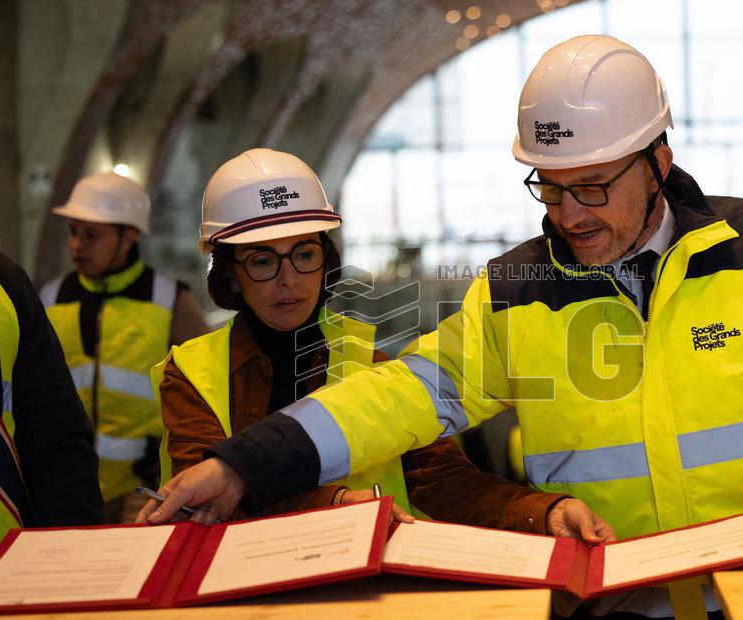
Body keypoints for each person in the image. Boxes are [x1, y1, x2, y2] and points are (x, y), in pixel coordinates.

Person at [141, 36, 743, 620]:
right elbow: (399, 396)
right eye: (550, 187)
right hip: (617, 615)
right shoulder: (516, 289)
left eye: (594, 187)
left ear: (658, 162)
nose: (569, 214)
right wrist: (244, 463)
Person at [150, 147, 602, 535]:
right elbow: (206, 498)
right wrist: (334, 506)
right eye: (263, 261)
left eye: (304, 255)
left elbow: (441, 479)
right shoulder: (191, 373)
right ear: (230, 272)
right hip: (232, 597)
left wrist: (543, 512)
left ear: (326, 260)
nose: (288, 280)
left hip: (359, 595)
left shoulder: (371, 363)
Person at [40, 172, 209, 523]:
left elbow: (209, 392)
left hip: (144, 493)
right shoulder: (51, 299)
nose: (76, 245)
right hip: (69, 490)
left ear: (129, 235)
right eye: (73, 232)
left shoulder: (168, 300)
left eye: (91, 235)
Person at [0, 221, 102, 572]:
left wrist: (76, 566)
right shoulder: (50, 291)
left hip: (3, 568)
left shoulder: (5, 284)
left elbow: (57, 441)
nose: (78, 245)